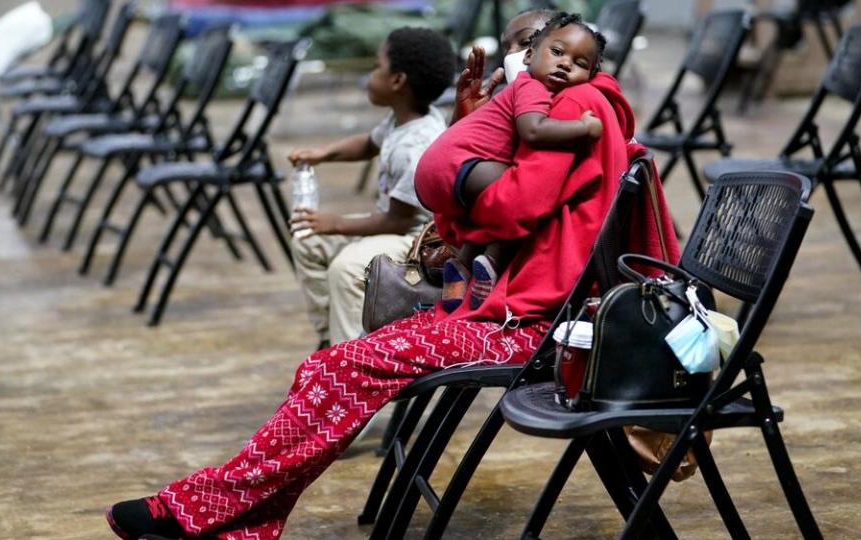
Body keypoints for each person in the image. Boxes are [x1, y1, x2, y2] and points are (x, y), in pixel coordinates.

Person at [105, 11, 677, 540]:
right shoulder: (550, 109)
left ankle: (197, 508)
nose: (514, 60)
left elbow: (514, 207)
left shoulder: (577, 112)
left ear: (581, 62)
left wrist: (462, 169)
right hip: (507, 306)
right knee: (328, 367)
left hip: (533, 325)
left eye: (526, 46)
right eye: (521, 49)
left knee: (341, 368)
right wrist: (472, 128)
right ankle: (232, 519)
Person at [415, 12, 607, 312]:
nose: (566, 63)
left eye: (580, 63)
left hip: (438, 172)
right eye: (557, 52)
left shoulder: (523, 91)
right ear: (531, 56)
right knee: (526, 196)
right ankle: (492, 261)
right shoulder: (531, 88)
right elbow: (534, 131)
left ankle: (460, 272)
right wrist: (585, 128)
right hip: (458, 166)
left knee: (499, 203)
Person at [285, 27, 453, 349]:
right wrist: (323, 154)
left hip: (414, 241)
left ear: (397, 81)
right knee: (309, 239)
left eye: (378, 67)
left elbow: (397, 221)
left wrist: (335, 224)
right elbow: (367, 144)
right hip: (390, 223)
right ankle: (329, 339)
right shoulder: (403, 118)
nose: (370, 75)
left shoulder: (418, 145)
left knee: (345, 268)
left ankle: (349, 356)